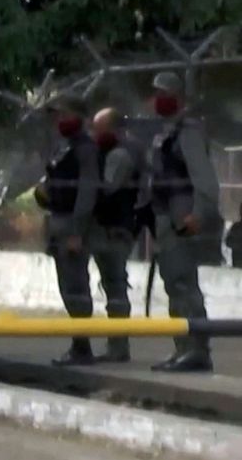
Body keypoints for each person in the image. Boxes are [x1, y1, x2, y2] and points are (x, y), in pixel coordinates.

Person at [148, 71, 219, 372]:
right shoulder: (168, 131)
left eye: (163, 92)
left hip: (184, 215)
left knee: (184, 286)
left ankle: (197, 349)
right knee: (175, 285)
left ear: (177, 96)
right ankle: (183, 347)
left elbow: (205, 180)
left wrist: (198, 214)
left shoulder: (188, 130)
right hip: (168, 218)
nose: (157, 98)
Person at [34, 95, 99, 366]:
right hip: (58, 220)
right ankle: (78, 343)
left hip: (72, 224)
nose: (59, 120)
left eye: (64, 114)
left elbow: (87, 192)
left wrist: (77, 232)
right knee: (67, 287)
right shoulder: (65, 147)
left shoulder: (85, 148)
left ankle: (82, 346)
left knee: (75, 286)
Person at [90, 107, 140, 363]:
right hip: (108, 228)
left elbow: (106, 189)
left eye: (100, 129)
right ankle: (116, 345)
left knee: (116, 287)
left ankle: (119, 347)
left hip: (116, 229)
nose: (95, 134)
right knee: (112, 286)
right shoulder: (109, 152)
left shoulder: (120, 155)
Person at [225, 203, 242, 268]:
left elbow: (228, 242)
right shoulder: (235, 227)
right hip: (239, 261)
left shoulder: (235, 227)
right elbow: (228, 242)